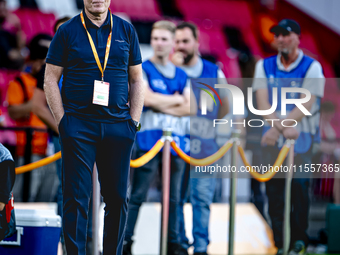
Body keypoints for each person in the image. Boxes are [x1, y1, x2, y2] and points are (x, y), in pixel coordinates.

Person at [44, 0, 144, 254]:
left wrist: (133, 122)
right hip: (78, 126)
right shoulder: (66, 31)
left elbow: (136, 79)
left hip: (118, 126)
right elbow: (50, 79)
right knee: (76, 198)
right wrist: (63, 122)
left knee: (118, 198)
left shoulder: (126, 30)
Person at [252, 19, 325, 255]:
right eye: (277, 35)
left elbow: (307, 103)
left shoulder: (312, 67)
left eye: (285, 34)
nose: (280, 39)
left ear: (297, 38)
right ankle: (280, 243)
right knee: (274, 194)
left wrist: (277, 128)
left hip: (302, 143)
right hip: (272, 143)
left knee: (300, 192)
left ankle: (298, 242)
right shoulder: (264, 65)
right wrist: (279, 128)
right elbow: (262, 102)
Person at [123, 20, 193, 255]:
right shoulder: (142, 68)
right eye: (155, 39)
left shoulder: (182, 74)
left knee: (174, 199)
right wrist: (175, 99)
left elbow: (190, 107)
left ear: (173, 43)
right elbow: (146, 99)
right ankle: (124, 243)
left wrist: (160, 101)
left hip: (178, 145)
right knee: (138, 195)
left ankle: (173, 244)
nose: (159, 43)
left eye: (164, 39)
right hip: (148, 142)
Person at [172, 22, 229, 255]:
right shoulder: (169, 70)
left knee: (201, 199)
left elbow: (225, 105)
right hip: (175, 146)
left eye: (185, 41)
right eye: (177, 42)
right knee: (175, 198)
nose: (180, 46)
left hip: (205, 146)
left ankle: (202, 247)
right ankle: (177, 243)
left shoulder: (214, 72)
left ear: (197, 43)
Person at [6, 33, 58, 203]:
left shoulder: (54, 83)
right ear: (36, 62)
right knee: (23, 198)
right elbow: (13, 112)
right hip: (29, 150)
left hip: (51, 150)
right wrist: (38, 102)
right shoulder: (19, 82)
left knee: (47, 198)